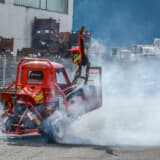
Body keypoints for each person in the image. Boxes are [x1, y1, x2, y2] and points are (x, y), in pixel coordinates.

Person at [66, 26, 90, 100]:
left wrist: (80, 36)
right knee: (61, 94)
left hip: (81, 87)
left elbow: (81, 48)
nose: (73, 55)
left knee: (65, 97)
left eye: (74, 53)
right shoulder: (78, 63)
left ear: (79, 54)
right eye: (73, 53)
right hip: (76, 86)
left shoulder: (84, 60)